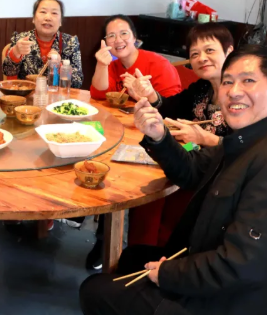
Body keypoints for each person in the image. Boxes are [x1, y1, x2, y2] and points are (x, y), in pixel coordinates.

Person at [80, 45, 267, 315]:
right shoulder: (249, 140)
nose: (233, 91)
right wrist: (159, 136)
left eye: (248, 81)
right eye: (227, 82)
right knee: (131, 258)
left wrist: (169, 274)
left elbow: (241, 266)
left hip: (229, 303)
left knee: (94, 290)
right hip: (210, 269)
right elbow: (191, 171)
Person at [85, 23, 236, 269]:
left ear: (229, 51)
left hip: (218, 179)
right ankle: (141, 255)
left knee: (152, 187)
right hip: (190, 160)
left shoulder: (240, 96)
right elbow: (172, 107)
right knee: (143, 178)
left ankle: (161, 259)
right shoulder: (202, 88)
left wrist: (205, 139)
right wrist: (151, 95)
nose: (201, 58)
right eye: (195, 53)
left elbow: (249, 145)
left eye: (209, 50)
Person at [90, 15, 181, 100]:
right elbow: (98, 96)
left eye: (124, 33)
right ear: (106, 42)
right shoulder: (111, 66)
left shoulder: (160, 65)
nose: (118, 40)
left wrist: (143, 94)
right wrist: (101, 65)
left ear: (134, 37)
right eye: (111, 36)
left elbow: (172, 105)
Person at [2, 0, 83, 88]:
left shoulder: (70, 42)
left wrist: (59, 66)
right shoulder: (21, 39)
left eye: (54, 13)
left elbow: (77, 82)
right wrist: (16, 53)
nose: (48, 18)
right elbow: (8, 73)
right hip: (27, 94)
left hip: (57, 95)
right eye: (43, 12)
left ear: (60, 21)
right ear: (33, 18)